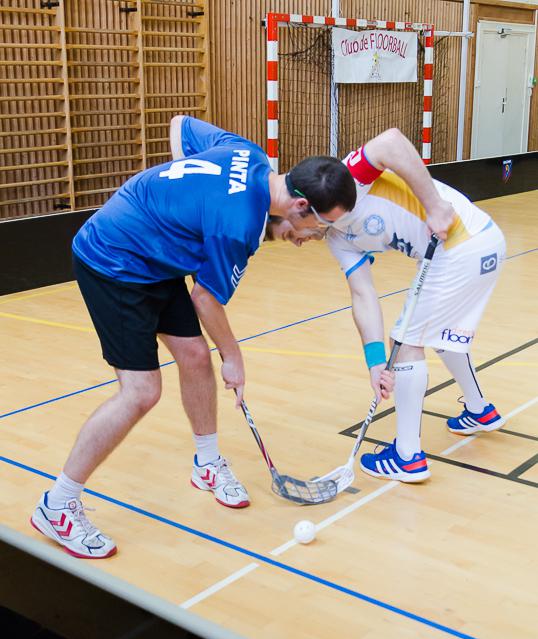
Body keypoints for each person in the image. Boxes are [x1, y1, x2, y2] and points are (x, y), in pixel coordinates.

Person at [31, 116, 357, 558]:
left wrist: (181, 207)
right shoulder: (238, 224)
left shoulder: (251, 155)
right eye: (321, 226)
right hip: (113, 260)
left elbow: (181, 125)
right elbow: (205, 298)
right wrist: (235, 357)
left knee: (195, 357)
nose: (316, 235)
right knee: (141, 392)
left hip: (154, 257)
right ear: (300, 205)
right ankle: (59, 503)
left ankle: (207, 463)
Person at [284, 128, 506, 483]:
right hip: (483, 244)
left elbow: (390, 141)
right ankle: (481, 410)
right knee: (438, 334)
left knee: (406, 344)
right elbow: (363, 295)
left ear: (303, 208)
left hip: (460, 246)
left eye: (291, 232)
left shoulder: (342, 179)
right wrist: (374, 364)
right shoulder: (337, 237)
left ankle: (407, 457)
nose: (297, 241)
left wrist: (434, 206)